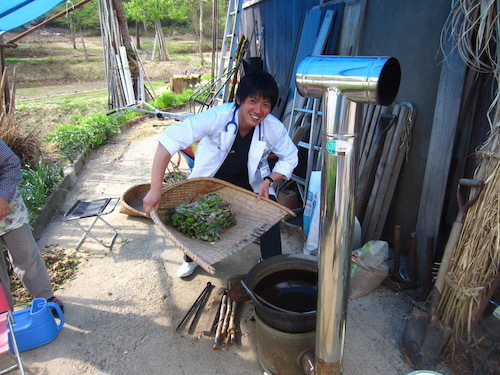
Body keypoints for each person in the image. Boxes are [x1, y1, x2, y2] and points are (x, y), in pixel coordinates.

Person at [143, 70, 298, 278]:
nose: (258, 110)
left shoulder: (273, 128)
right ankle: (192, 258)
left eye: (266, 105)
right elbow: (169, 140)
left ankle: (270, 265)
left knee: (270, 216)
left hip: (250, 183)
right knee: (193, 215)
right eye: (252, 101)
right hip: (211, 180)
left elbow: (290, 156)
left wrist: (270, 180)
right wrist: (155, 189)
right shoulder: (218, 117)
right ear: (239, 99)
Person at [0, 139, 64, 312]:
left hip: (8, 211)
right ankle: (4, 317)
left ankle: (45, 298)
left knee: (26, 255)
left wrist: (3, 197)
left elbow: (10, 164)